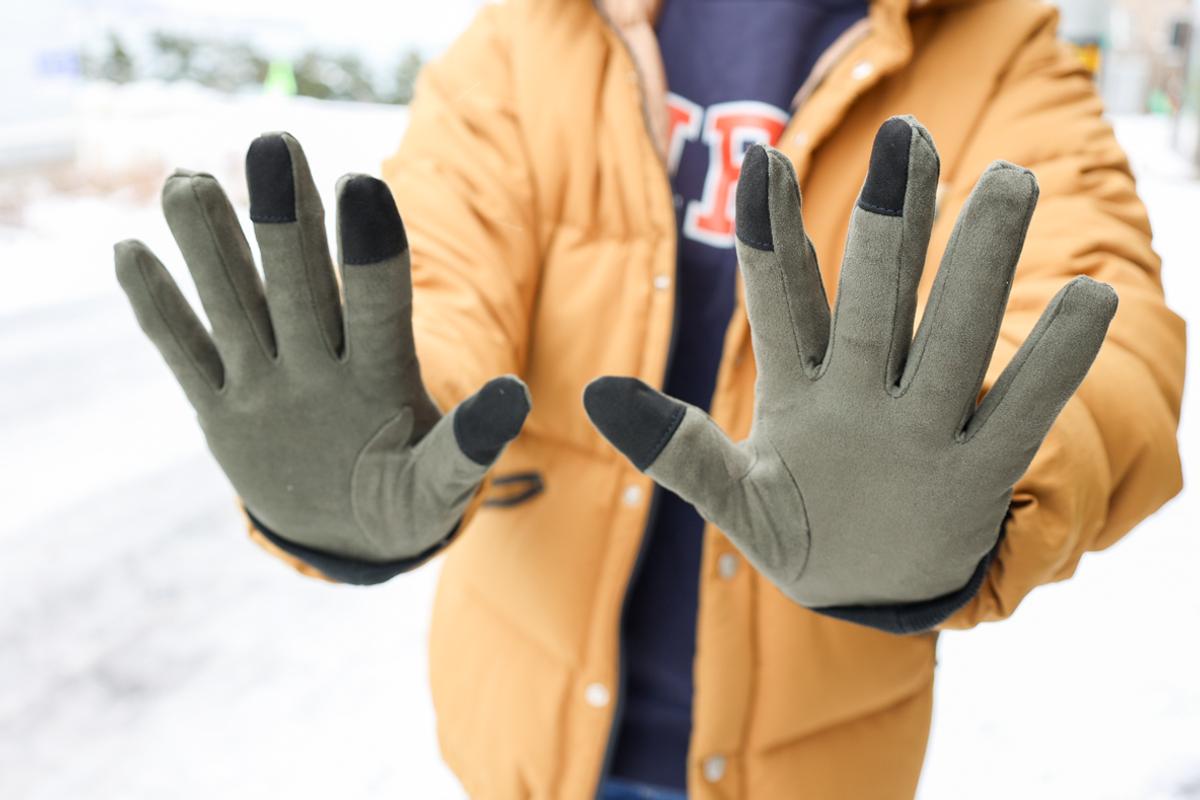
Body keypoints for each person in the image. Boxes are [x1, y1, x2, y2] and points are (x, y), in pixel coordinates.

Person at [113, 0, 1186, 797]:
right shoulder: (539, 33)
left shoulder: (999, 48)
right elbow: (443, 261)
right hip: (522, 741)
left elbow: (1102, 310)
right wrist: (394, 411)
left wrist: (978, 490)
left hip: (817, 760)